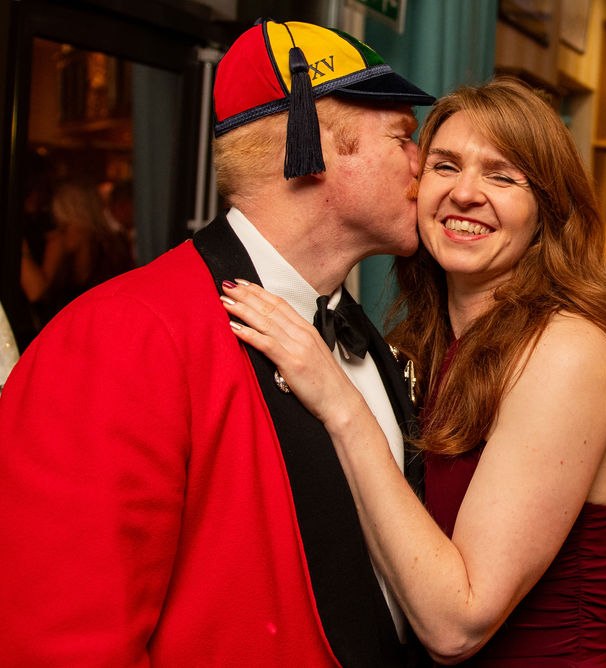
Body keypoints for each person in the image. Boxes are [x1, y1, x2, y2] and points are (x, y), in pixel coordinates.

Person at [0, 20, 435, 666]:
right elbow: (61, 641)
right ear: (317, 145)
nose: (423, 165)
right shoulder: (121, 336)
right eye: (403, 138)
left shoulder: (361, 338)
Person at [221, 76, 606, 666]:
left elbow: (456, 626)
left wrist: (341, 405)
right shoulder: (422, 343)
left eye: (502, 176)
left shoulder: (566, 351)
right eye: (445, 166)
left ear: (548, 209)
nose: (465, 193)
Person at [20, 179, 135, 324]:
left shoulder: (69, 237)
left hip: (76, 320)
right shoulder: (109, 240)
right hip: (101, 317)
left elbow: (37, 292)